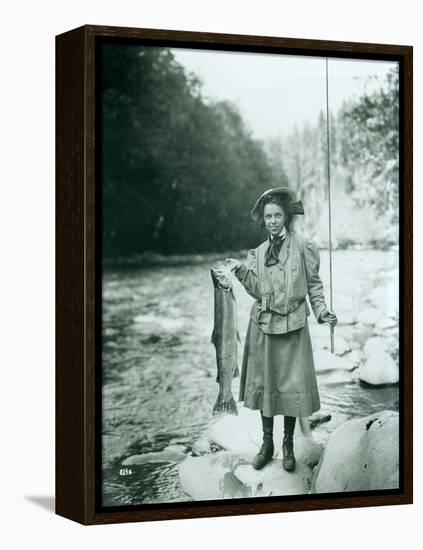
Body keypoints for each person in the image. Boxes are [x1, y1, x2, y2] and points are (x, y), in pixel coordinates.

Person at [214, 187, 337, 472]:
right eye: (268, 216)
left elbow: (314, 287)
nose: (272, 220)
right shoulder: (256, 254)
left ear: (286, 217)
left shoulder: (304, 247)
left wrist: (322, 311)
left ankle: (288, 445)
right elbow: (257, 289)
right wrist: (240, 270)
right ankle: (266, 444)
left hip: (294, 327)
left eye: (277, 215)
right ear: (264, 220)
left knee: (290, 389)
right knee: (267, 387)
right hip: (263, 327)